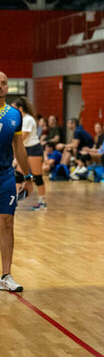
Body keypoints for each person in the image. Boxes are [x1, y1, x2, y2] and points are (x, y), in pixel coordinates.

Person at [0, 72, 33, 292]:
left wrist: (28, 176)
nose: (0, 86)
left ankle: (6, 276)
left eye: (3, 83)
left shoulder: (14, 115)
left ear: (7, 88)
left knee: (7, 222)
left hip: (5, 176)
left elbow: (19, 147)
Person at [12, 97, 47, 211]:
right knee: (18, 175)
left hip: (33, 149)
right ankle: (14, 200)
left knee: (37, 176)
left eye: (14, 108)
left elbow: (22, 137)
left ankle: (42, 202)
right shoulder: (18, 119)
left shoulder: (28, 119)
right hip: (24, 149)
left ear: (20, 108)